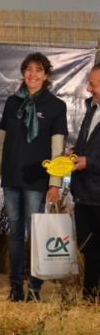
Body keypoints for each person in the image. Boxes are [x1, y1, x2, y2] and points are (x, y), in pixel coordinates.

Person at [0, 52, 67, 302]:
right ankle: (15, 287)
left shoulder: (56, 106)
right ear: (23, 73)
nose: (33, 74)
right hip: (11, 177)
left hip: (37, 180)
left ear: (46, 75)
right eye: (28, 69)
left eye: (39, 70)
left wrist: (55, 182)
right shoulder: (12, 102)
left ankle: (34, 287)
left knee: (35, 234)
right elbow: (0, 142)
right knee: (14, 234)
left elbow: (58, 148)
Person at [71, 63, 100, 302]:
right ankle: (90, 296)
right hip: (84, 193)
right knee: (88, 248)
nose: (89, 88)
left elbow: (92, 157)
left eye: (94, 84)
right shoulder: (91, 109)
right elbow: (86, 144)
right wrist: (74, 153)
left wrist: (88, 162)